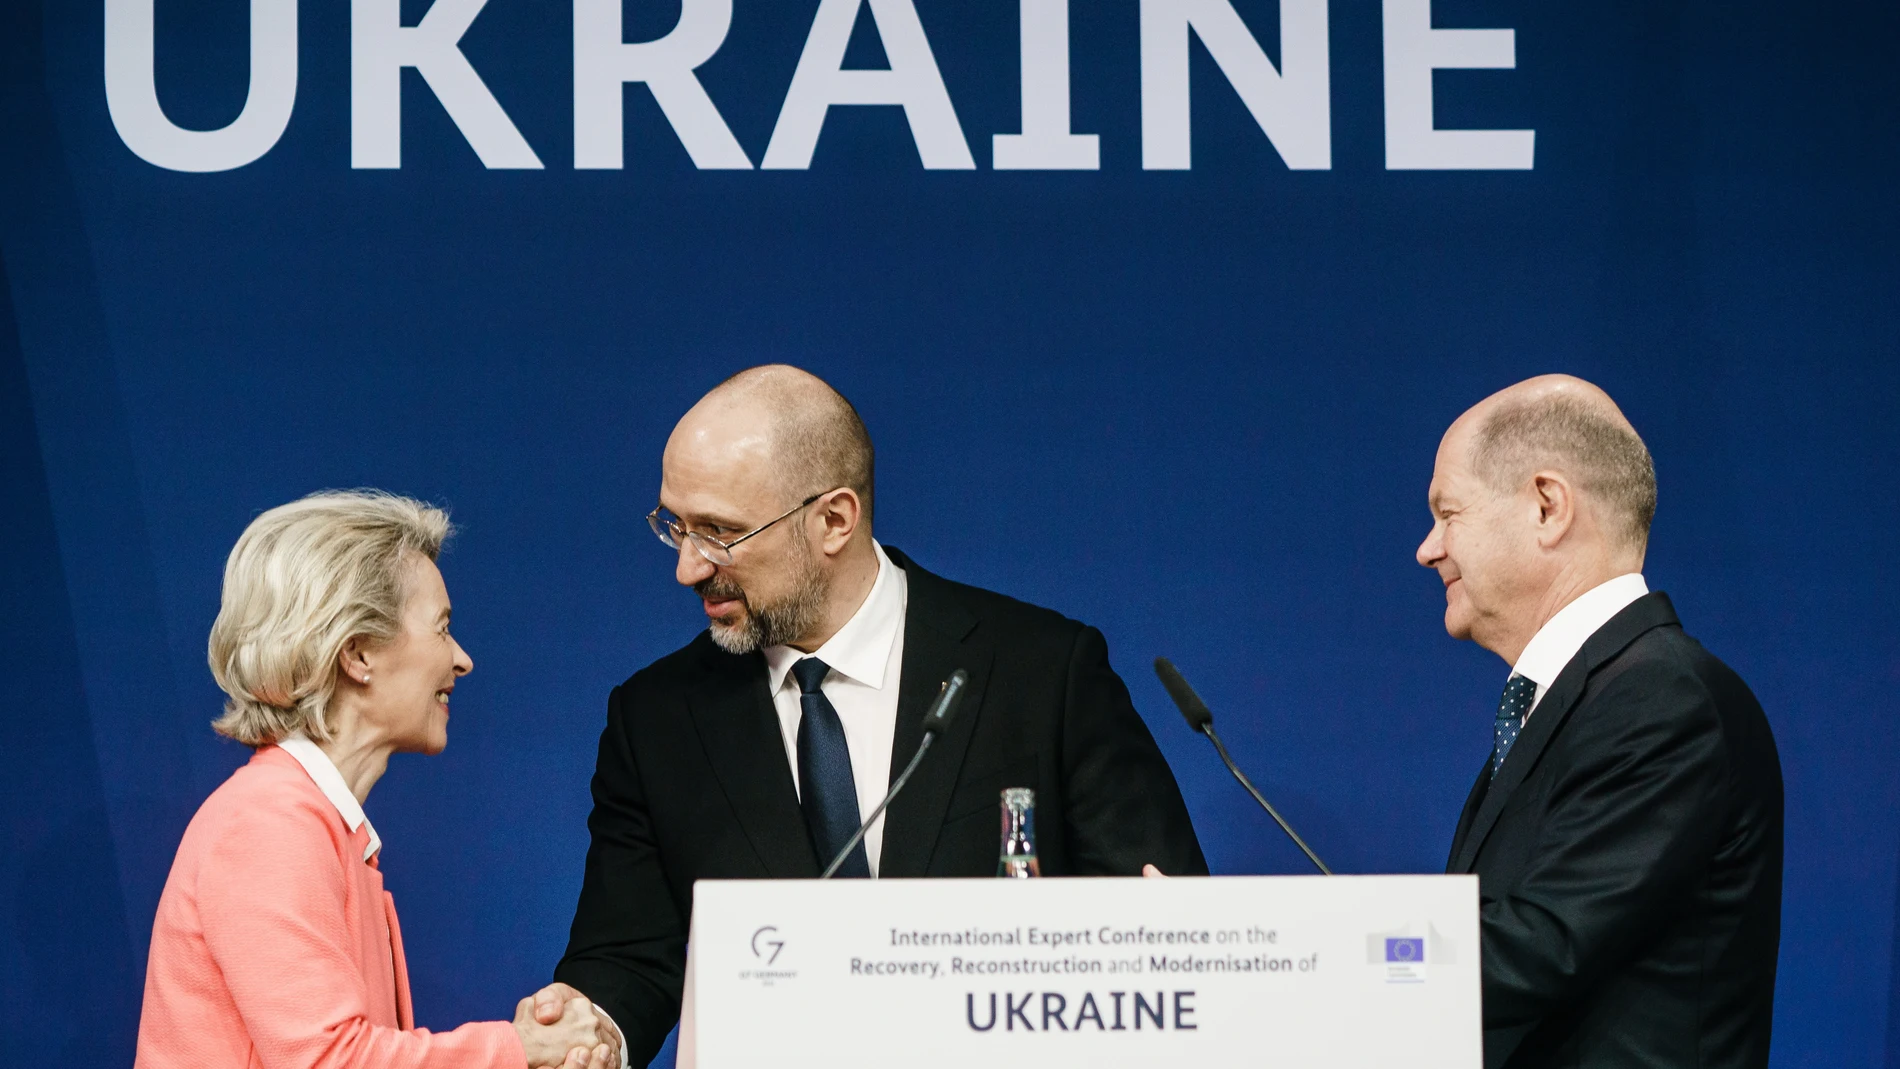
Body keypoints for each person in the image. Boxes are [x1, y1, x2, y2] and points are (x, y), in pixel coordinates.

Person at [533, 364, 1207, 1065]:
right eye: (676, 527)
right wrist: (592, 1026)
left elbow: (1161, 920)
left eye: (720, 532)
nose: (689, 567)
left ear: (834, 520)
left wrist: (1169, 946)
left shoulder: (1042, 673)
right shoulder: (657, 718)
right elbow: (629, 957)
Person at [135, 490, 621, 1069]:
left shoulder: (318, 824)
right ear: (358, 654)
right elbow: (329, 1060)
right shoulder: (267, 824)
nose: (462, 659)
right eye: (442, 628)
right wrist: (519, 1048)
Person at [1416, 376, 1782, 1068]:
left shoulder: (1663, 700)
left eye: (1448, 512)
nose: (1428, 548)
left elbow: (1541, 943)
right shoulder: (1584, 701)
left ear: (1547, 506)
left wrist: (1309, 957)